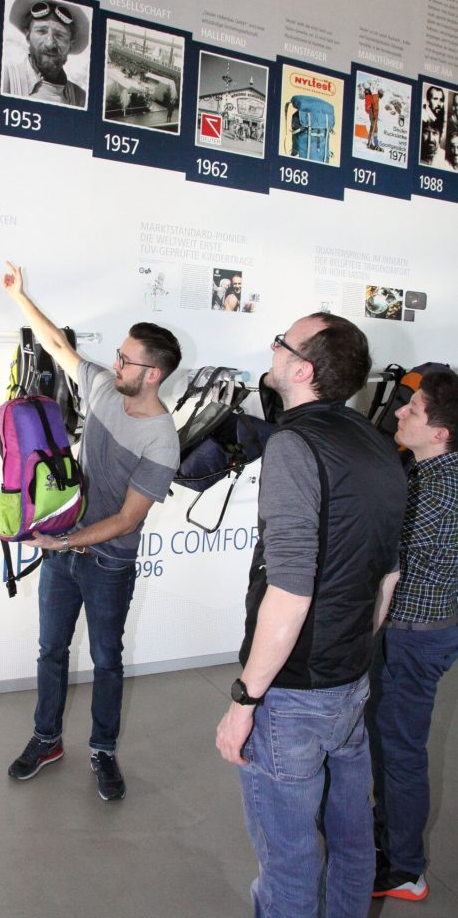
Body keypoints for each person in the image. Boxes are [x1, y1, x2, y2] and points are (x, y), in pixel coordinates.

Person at [216, 313, 407, 918]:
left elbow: (291, 591)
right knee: (351, 842)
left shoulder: (294, 446)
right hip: (350, 679)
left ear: (302, 370)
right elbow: (388, 575)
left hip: (293, 694)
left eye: (282, 342)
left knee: (290, 863)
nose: (272, 348)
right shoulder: (376, 442)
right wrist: (351, 651)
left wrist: (244, 701)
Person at [3, 262, 181, 801]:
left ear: (153, 374)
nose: (115, 363)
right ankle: (47, 739)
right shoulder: (103, 387)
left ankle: (103, 750)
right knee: (51, 650)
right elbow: (57, 344)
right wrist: (20, 297)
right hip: (64, 554)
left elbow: (127, 520)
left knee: (106, 660)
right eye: (119, 354)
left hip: (108, 563)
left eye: (126, 359)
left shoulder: (162, 441)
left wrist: (61, 541)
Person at [367, 369, 458, 902]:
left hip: (412, 638)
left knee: (399, 752)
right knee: (390, 743)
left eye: (414, 410)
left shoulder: (437, 490)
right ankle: (389, 842)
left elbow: (382, 556)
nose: (399, 411)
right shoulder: (431, 472)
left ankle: (404, 868)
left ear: (440, 433)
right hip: (418, 632)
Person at [2, 0, 90, 107]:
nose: (50, 43)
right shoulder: (6, 79)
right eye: (41, 31)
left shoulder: (80, 98)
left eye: (59, 35)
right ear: (28, 36)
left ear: (70, 45)